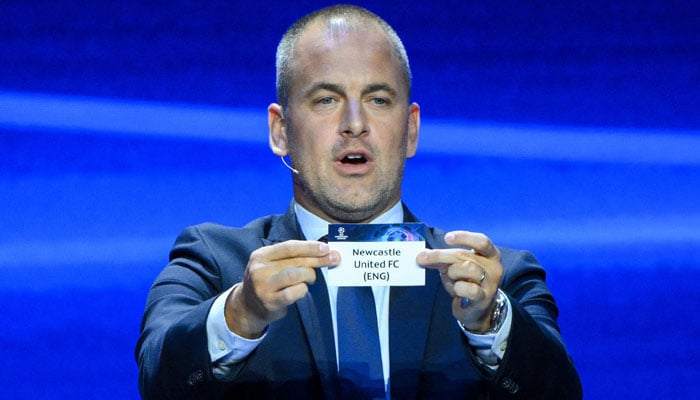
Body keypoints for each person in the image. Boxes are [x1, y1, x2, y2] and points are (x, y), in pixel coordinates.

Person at [136, 4, 582, 399]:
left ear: (410, 131)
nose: (354, 124)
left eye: (378, 99)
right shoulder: (215, 262)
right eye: (326, 99)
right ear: (280, 131)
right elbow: (158, 381)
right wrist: (241, 313)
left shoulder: (496, 279)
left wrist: (491, 323)